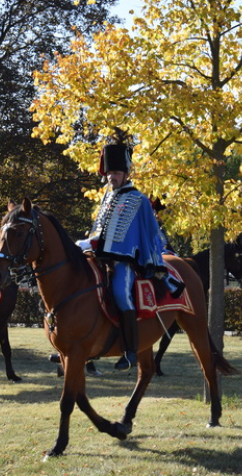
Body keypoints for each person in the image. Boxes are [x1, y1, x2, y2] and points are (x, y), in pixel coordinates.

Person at [79, 135, 184, 371]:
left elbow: (151, 235)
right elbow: (99, 231)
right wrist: (87, 243)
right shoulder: (106, 198)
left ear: (127, 173)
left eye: (116, 172)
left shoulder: (139, 200)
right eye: (108, 172)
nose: (111, 176)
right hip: (98, 258)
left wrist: (152, 260)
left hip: (124, 262)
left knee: (120, 294)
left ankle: (130, 351)